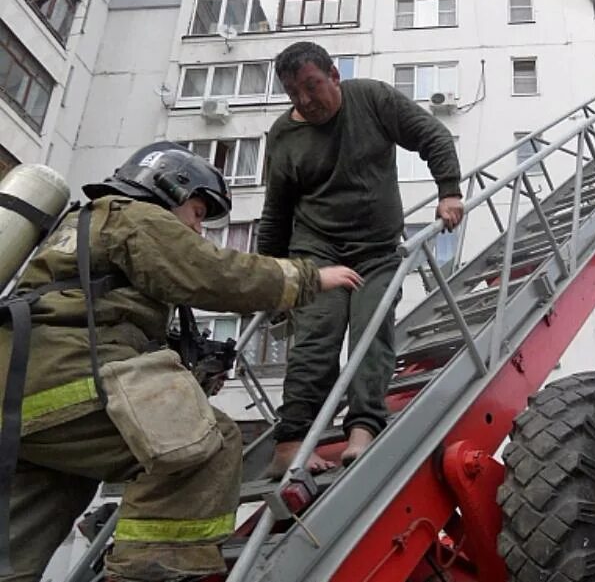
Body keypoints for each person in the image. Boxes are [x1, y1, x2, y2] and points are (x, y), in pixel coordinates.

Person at [1, 142, 361, 582]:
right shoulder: (132, 215)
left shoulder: (79, 224)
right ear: (168, 189)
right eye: (196, 213)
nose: (197, 230)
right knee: (203, 446)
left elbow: (97, 308)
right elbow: (212, 273)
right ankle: (151, 574)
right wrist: (308, 277)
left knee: (41, 504)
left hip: (18, 400)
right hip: (66, 381)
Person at [258, 41, 464, 476]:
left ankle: (362, 431)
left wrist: (448, 190)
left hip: (376, 249)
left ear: (334, 74)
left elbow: (433, 135)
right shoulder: (283, 135)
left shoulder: (371, 98)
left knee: (371, 331)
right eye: (295, 94)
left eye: (313, 87)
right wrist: (274, 277)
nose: (306, 102)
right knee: (317, 337)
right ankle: (291, 442)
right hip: (317, 252)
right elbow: (276, 211)